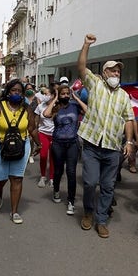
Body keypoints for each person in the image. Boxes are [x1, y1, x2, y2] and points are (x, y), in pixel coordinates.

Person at [76, 34, 135, 238]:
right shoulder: (95, 84)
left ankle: (101, 220)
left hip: (112, 148)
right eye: (113, 70)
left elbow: (129, 119)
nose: (116, 73)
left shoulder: (124, 96)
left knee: (109, 186)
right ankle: (88, 212)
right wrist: (86, 45)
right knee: (91, 182)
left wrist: (128, 141)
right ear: (104, 72)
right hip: (92, 145)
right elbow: (82, 67)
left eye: (118, 71)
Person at [0, 79, 41, 224]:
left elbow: (32, 128)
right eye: (14, 90)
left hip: (21, 146)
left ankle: (14, 211)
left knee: (16, 178)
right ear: (8, 92)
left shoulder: (26, 108)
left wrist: (38, 144)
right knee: (0, 178)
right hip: (1, 145)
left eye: (19, 91)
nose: (17, 93)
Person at [43, 84, 88, 214]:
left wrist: (76, 97)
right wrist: (55, 98)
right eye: (63, 94)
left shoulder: (74, 106)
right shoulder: (55, 107)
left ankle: (71, 201)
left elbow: (88, 111)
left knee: (71, 172)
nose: (65, 96)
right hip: (57, 144)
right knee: (58, 171)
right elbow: (46, 114)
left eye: (67, 93)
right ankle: (56, 190)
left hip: (72, 143)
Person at [34, 87, 55, 188]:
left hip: (54, 135)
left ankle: (51, 178)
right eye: (44, 94)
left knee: (52, 157)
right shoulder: (40, 106)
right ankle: (43, 177)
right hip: (42, 133)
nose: (46, 96)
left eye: (48, 94)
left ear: (53, 96)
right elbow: (36, 120)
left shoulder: (57, 106)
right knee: (43, 156)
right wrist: (34, 132)